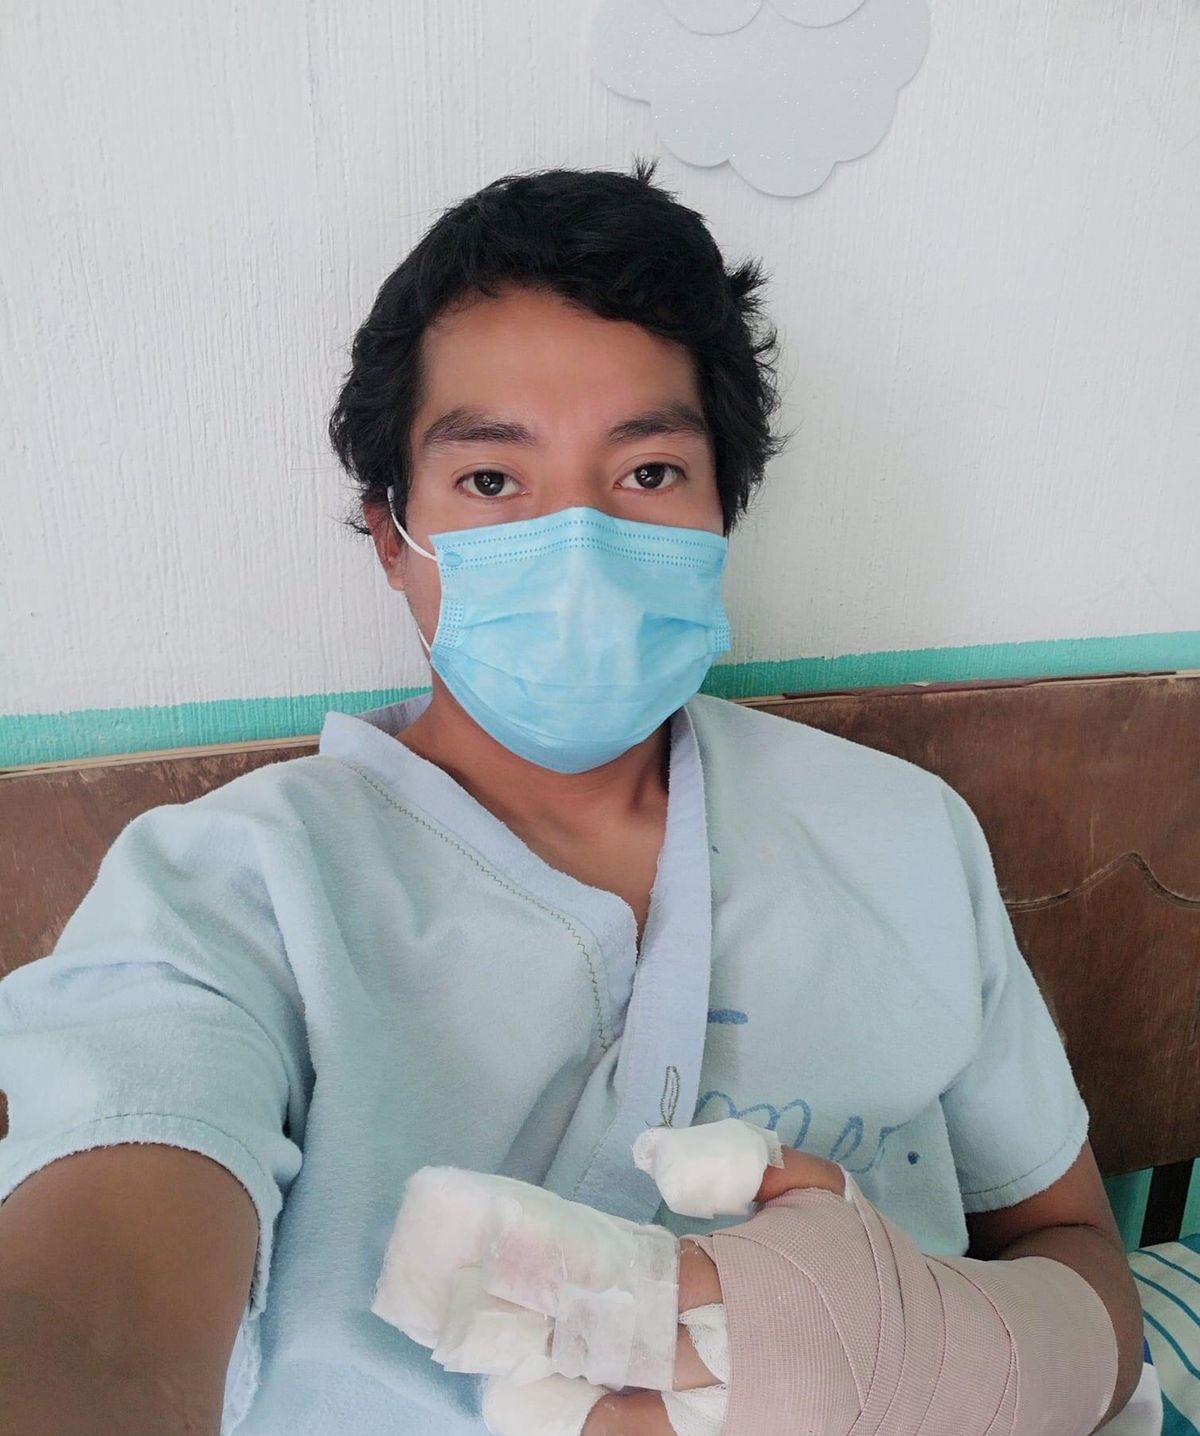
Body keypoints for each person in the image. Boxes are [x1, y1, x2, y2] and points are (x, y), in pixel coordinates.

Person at [0, 159, 1147, 1436]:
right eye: (492, 481)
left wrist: (925, 1356)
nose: (582, 544)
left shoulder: (902, 834)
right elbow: (92, 1321)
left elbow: (1070, 1247)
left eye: (648, 472)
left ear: (721, 513)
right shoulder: (233, 892)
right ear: (392, 534)